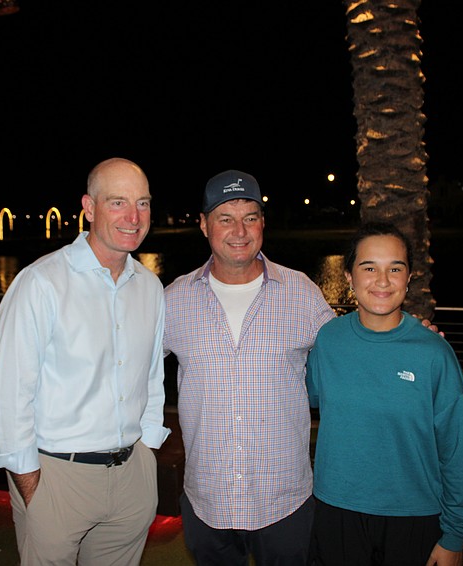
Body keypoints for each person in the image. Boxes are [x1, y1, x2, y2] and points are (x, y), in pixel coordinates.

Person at [0, 157, 170, 565]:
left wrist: (147, 451)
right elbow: (9, 396)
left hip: (131, 473)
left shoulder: (150, 288)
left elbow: (152, 378)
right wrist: (33, 487)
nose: (133, 217)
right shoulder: (41, 283)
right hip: (57, 477)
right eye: (118, 202)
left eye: (143, 203)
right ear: (88, 207)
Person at [163, 170, 336, 564]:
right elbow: (127, 362)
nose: (239, 230)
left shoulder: (302, 293)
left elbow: (349, 353)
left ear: (263, 223)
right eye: (225, 217)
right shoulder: (174, 299)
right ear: (204, 224)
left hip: (285, 502)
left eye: (250, 217)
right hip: (207, 500)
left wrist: (406, 338)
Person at [306, 222, 463, 566]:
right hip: (337, 511)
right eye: (369, 267)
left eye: (395, 269)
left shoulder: (434, 353)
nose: (382, 281)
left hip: (413, 517)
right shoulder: (328, 341)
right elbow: (301, 399)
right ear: (348, 277)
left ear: (409, 277)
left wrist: (454, 535)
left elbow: (459, 451)